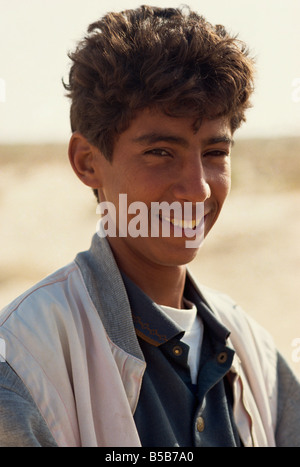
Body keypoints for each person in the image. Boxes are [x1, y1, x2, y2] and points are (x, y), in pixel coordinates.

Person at [0, 5, 299, 448]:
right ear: (87, 163)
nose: (197, 190)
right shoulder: (27, 357)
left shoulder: (255, 354)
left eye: (215, 153)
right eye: (161, 152)